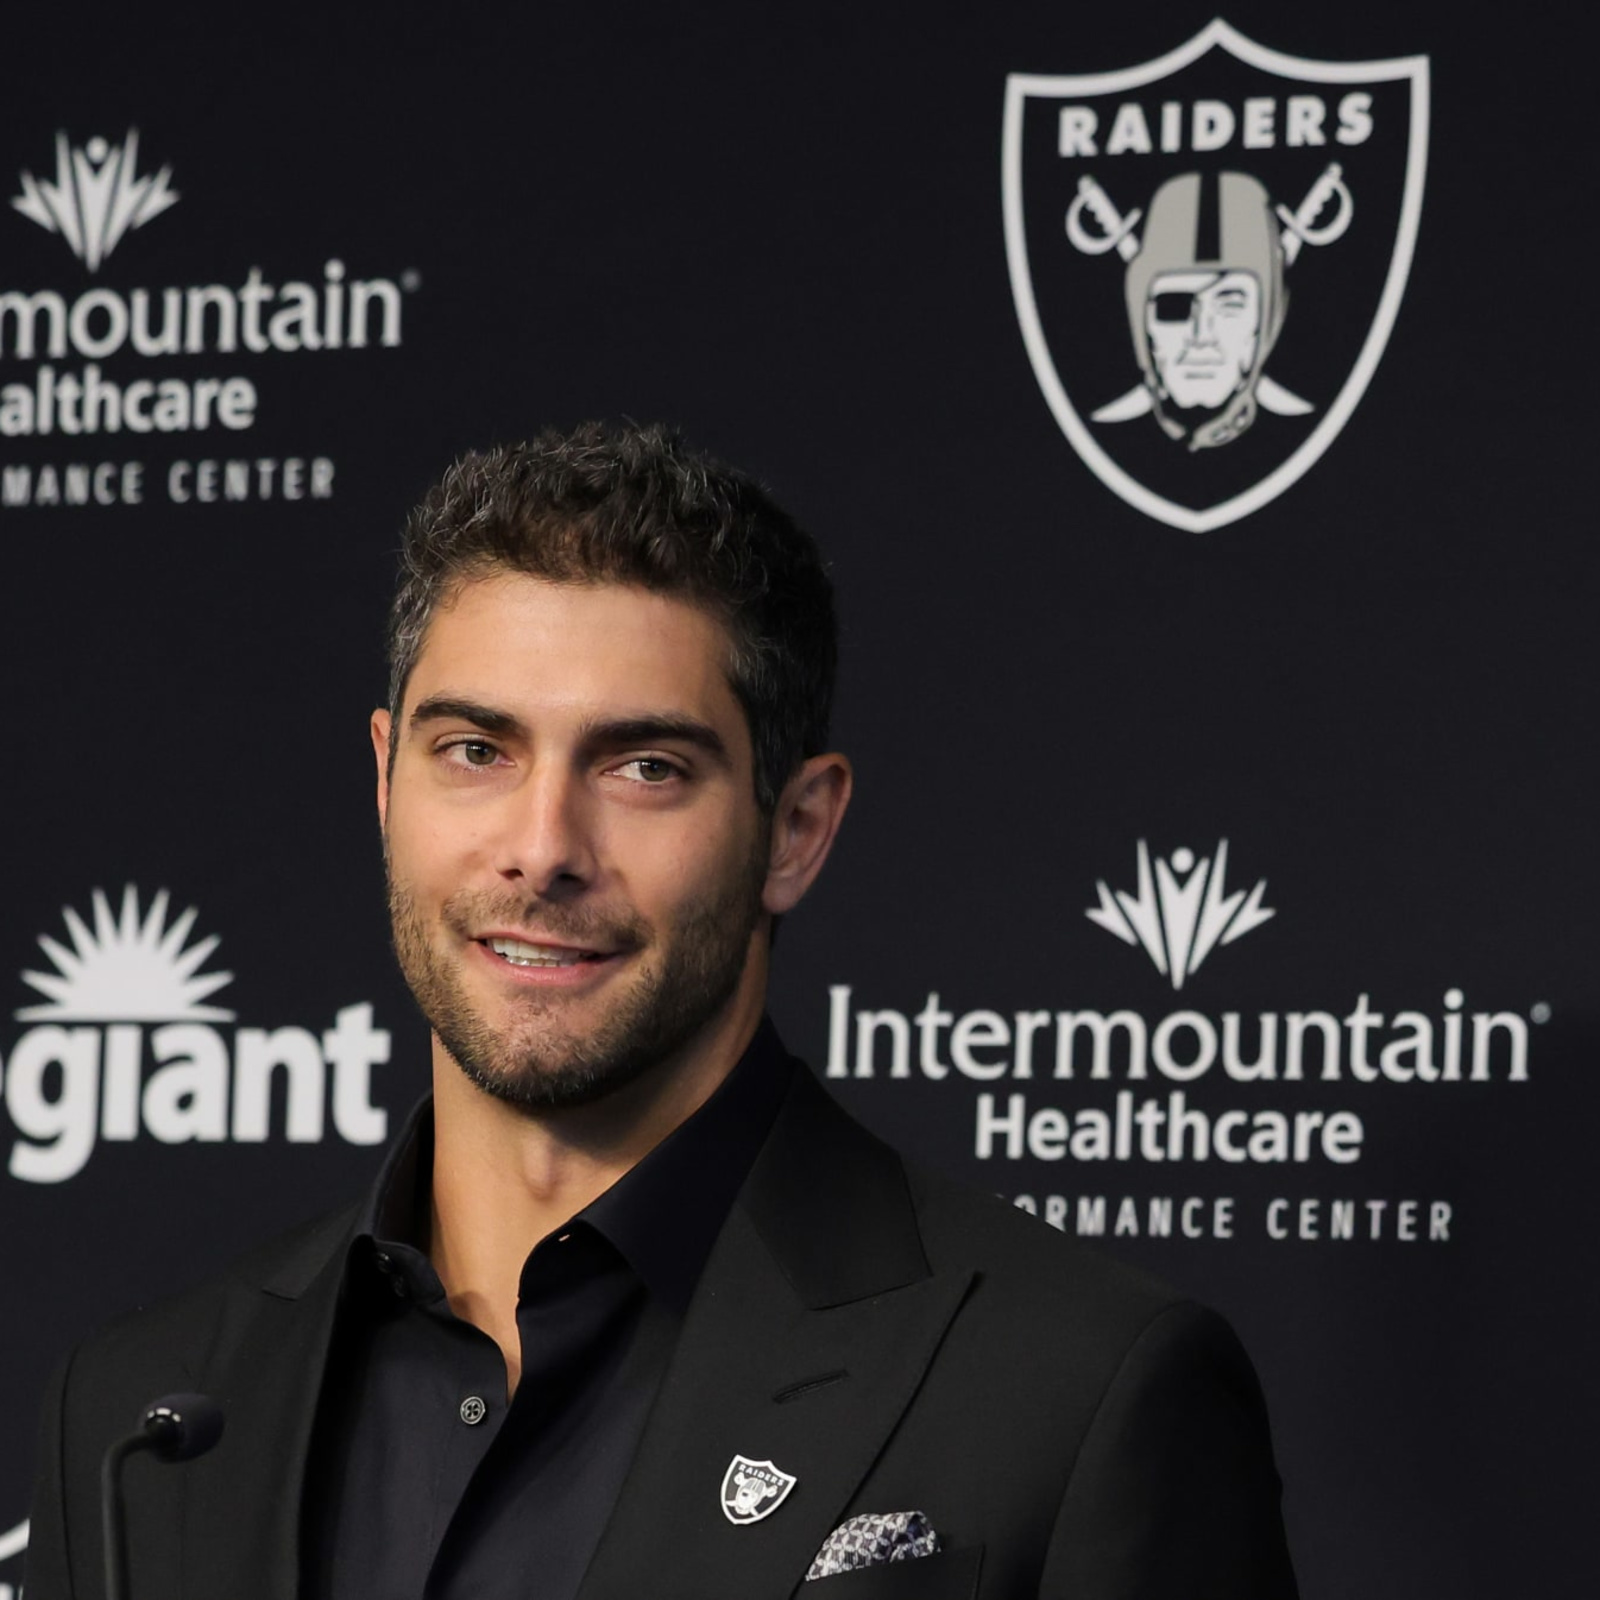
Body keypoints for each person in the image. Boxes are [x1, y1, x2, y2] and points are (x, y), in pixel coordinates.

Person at [27, 422, 1298, 1599]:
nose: (541, 847)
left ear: (795, 830)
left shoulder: (1074, 1396)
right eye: (475, 750)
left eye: (642, 767)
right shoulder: (140, 1420)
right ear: (383, 779)